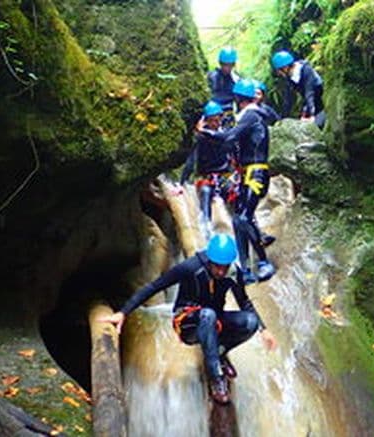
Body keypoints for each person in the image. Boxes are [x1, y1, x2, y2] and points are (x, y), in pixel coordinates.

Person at [97, 234, 277, 405]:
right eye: (217, 266)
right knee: (208, 315)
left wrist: (264, 329)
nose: (221, 271)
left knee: (250, 322)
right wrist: (123, 312)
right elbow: (154, 287)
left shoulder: (232, 273)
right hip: (187, 323)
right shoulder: (191, 267)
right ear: (209, 260)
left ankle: (219, 353)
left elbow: (244, 301)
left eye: (225, 266)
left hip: (213, 320)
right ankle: (216, 378)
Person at [197, 79, 276, 284]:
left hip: (256, 173)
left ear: (238, 99)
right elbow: (230, 142)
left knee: (242, 218)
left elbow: (229, 137)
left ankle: (264, 262)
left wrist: (204, 131)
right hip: (247, 174)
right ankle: (245, 268)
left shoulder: (251, 115)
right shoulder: (248, 117)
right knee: (238, 220)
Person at [179, 101, 239, 233]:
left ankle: (246, 225)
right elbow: (191, 161)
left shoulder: (224, 134)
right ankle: (205, 227)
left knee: (237, 195)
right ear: (206, 121)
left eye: (218, 120)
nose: (215, 123)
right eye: (212, 121)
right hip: (207, 177)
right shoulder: (201, 139)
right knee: (206, 192)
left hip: (224, 177)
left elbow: (233, 151)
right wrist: (181, 183)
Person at [271, 50, 326, 129]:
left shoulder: (306, 70)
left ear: (285, 68)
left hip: (321, 102)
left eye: (279, 70)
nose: (279, 73)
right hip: (309, 103)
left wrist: (311, 115)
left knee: (317, 125)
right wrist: (282, 120)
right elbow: (288, 99)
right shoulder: (290, 77)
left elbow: (309, 92)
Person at [207, 47, 240, 127]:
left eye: (230, 65)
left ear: (233, 65)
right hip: (212, 114)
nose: (227, 68)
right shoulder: (211, 77)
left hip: (228, 114)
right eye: (225, 65)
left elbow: (239, 100)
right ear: (220, 63)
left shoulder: (236, 79)